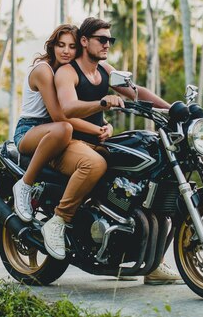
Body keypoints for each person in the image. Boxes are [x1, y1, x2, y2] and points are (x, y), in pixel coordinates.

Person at [44, 16, 181, 285]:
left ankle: (153, 263)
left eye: (110, 40)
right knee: (94, 165)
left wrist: (172, 110)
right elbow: (68, 107)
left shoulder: (105, 69)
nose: (107, 44)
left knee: (151, 175)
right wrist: (102, 102)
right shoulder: (67, 72)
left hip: (98, 141)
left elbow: (136, 91)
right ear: (84, 41)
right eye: (102, 39)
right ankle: (58, 221)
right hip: (70, 143)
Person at [12, 24, 110, 223]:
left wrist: (106, 125)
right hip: (30, 130)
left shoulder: (69, 72)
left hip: (54, 131)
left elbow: (80, 110)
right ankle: (25, 184)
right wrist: (97, 130)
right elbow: (60, 116)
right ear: (52, 46)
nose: (66, 51)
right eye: (61, 45)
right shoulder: (44, 71)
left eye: (72, 46)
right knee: (64, 128)